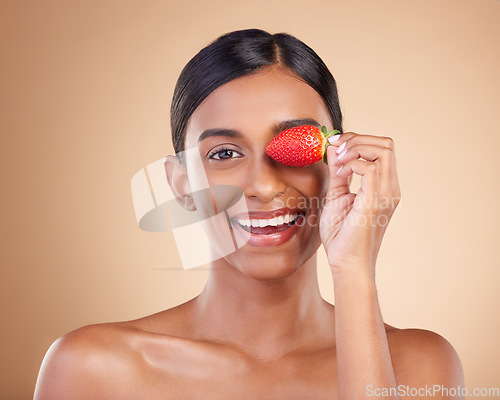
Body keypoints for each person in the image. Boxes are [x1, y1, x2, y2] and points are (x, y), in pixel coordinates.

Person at [34, 28, 464, 399]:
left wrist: (352, 271)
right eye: (224, 153)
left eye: (294, 145)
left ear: (337, 161)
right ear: (180, 183)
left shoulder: (419, 368)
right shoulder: (91, 369)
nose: (263, 185)